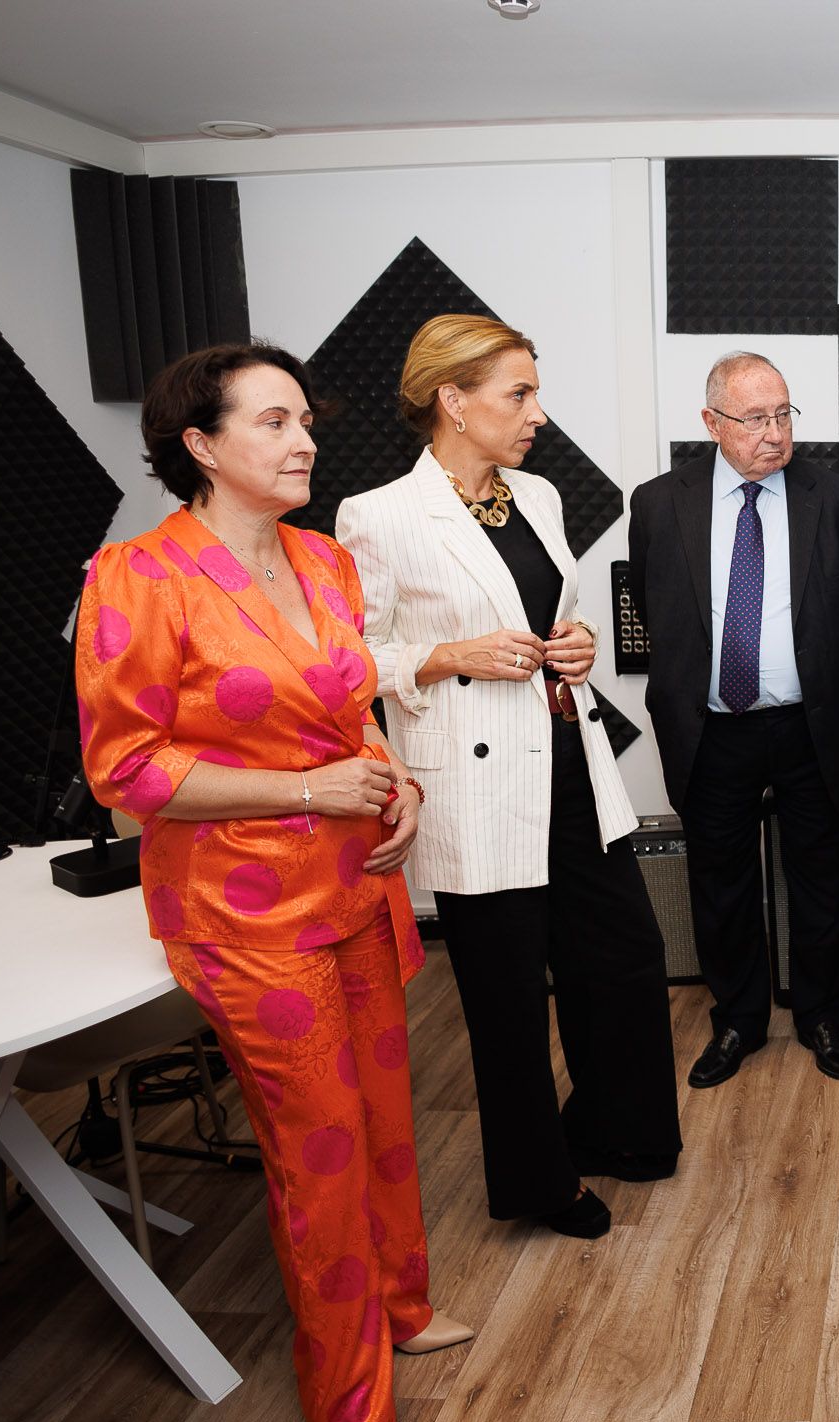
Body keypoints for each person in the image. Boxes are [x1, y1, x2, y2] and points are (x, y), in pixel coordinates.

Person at [76, 344, 469, 1422]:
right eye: (274, 422)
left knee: (387, 1121)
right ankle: (350, 1408)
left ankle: (402, 1307)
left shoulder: (323, 560)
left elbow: (349, 706)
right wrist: (308, 791)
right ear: (199, 445)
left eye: (305, 421)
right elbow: (126, 770)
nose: (304, 441)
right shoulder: (138, 579)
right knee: (318, 1152)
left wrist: (395, 777)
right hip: (246, 915)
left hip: (357, 883)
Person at [337, 314, 680, 1242]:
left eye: (533, 392)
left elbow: (551, 611)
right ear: (453, 400)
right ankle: (539, 1180)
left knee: (623, 954)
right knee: (507, 996)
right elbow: (353, 662)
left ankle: (619, 1128)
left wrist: (579, 644)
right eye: (517, 394)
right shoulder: (377, 515)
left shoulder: (536, 495)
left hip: (567, 752)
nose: (536, 412)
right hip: (477, 783)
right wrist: (448, 656)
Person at [620, 352, 839, 1087]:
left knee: (821, 876)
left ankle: (823, 1016)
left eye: (784, 414)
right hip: (710, 730)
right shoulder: (658, 502)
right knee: (720, 882)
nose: (774, 433)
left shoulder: (838, 500)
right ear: (712, 423)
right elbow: (653, 600)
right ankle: (737, 1020)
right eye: (756, 418)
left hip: (808, 725)